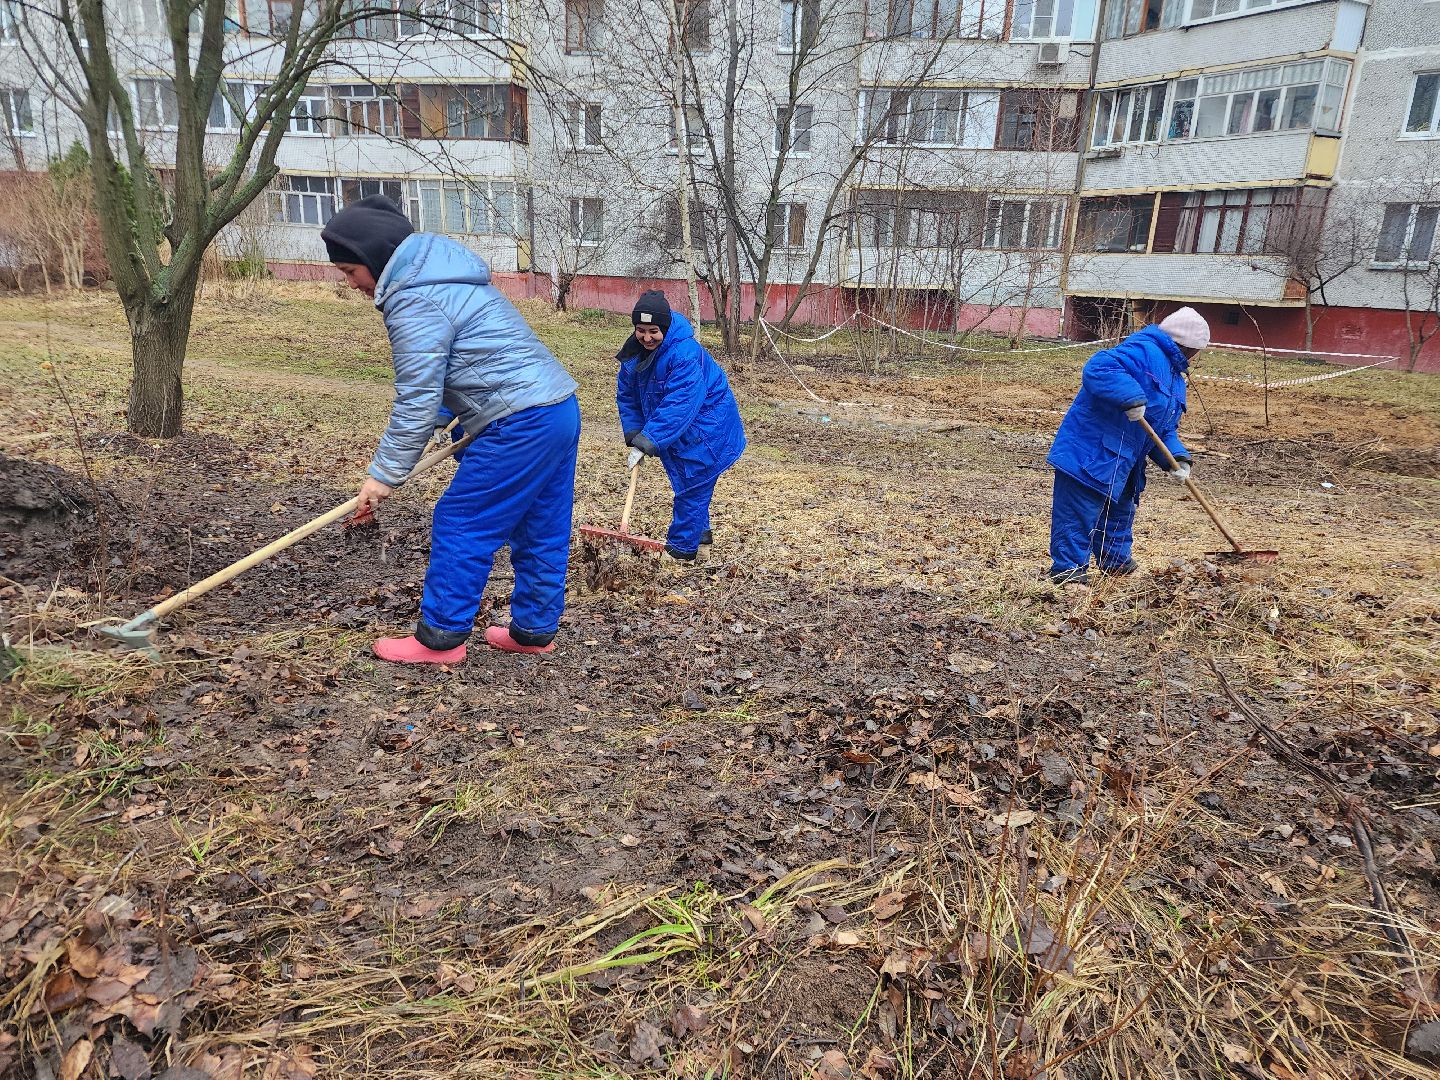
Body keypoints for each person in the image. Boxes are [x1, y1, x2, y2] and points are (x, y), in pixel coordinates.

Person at [322, 195, 581, 662]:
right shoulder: (447, 279)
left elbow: (418, 396)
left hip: (517, 420)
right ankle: (533, 631)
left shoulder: (413, 297)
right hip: (557, 408)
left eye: (349, 271)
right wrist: (443, 421)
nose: (352, 284)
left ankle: (440, 638)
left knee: (462, 521)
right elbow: (446, 378)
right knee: (541, 526)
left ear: (374, 257)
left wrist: (384, 475)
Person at [1045, 307, 1210, 587]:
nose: (1198, 356)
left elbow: (1164, 429)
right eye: (1198, 350)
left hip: (1125, 459)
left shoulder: (1175, 379)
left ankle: (1117, 566)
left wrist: (1177, 460)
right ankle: (1069, 574)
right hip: (1090, 451)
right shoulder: (1145, 350)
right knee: (1078, 514)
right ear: (1186, 345)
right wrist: (1131, 397)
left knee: (1120, 513)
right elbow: (1099, 367)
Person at [616, 290, 746, 561]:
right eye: (640, 330)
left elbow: (681, 402)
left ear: (665, 327)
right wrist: (634, 432)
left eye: (654, 331)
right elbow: (628, 396)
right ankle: (701, 542)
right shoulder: (633, 356)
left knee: (692, 485)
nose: (647, 337)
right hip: (681, 430)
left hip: (709, 427)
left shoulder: (684, 353)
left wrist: (649, 438)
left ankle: (680, 552)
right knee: (692, 482)